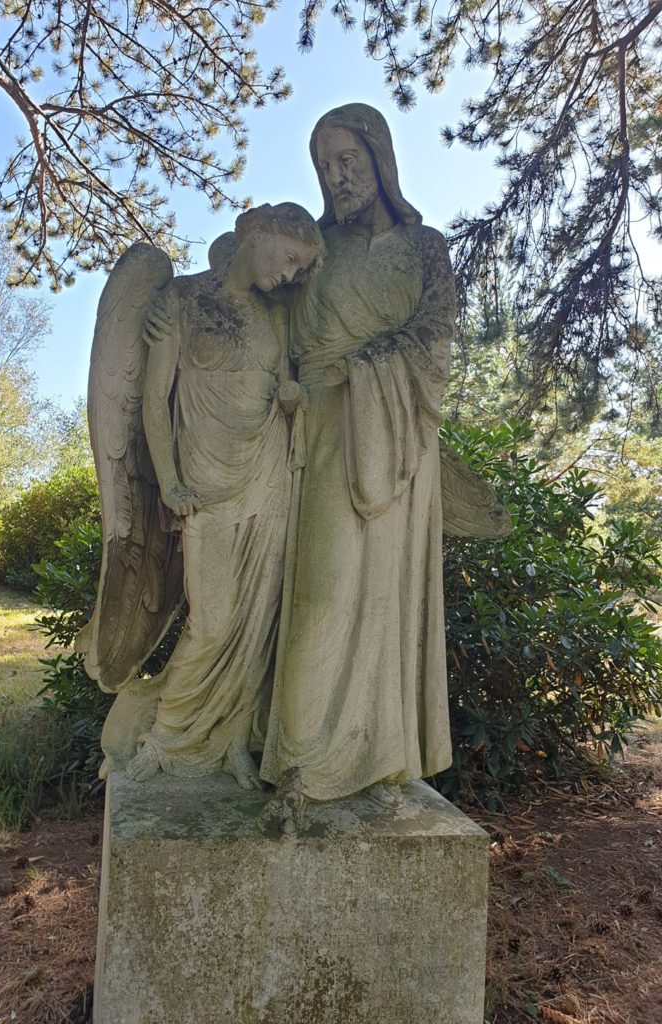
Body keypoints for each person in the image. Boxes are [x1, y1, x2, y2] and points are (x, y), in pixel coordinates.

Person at [260, 104, 457, 830]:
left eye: (348, 159)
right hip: (319, 436)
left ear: (380, 158)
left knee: (385, 605)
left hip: (397, 441)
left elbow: (435, 339)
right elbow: (269, 319)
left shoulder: (426, 250)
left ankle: (378, 764)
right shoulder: (320, 252)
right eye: (325, 165)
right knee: (321, 594)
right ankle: (301, 763)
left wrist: (364, 374)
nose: (337, 175)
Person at [100, 202, 325, 789]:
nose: (290, 275)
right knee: (213, 621)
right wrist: (169, 478)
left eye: (302, 268)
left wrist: (291, 396)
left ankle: (228, 742)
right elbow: (154, 400)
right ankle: (166, 736)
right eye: (290, 258)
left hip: (267, 476)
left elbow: (286, 386)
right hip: (203, 486)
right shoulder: (179, 301)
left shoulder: (277, 319)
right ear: (259, 231)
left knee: (257, 622)